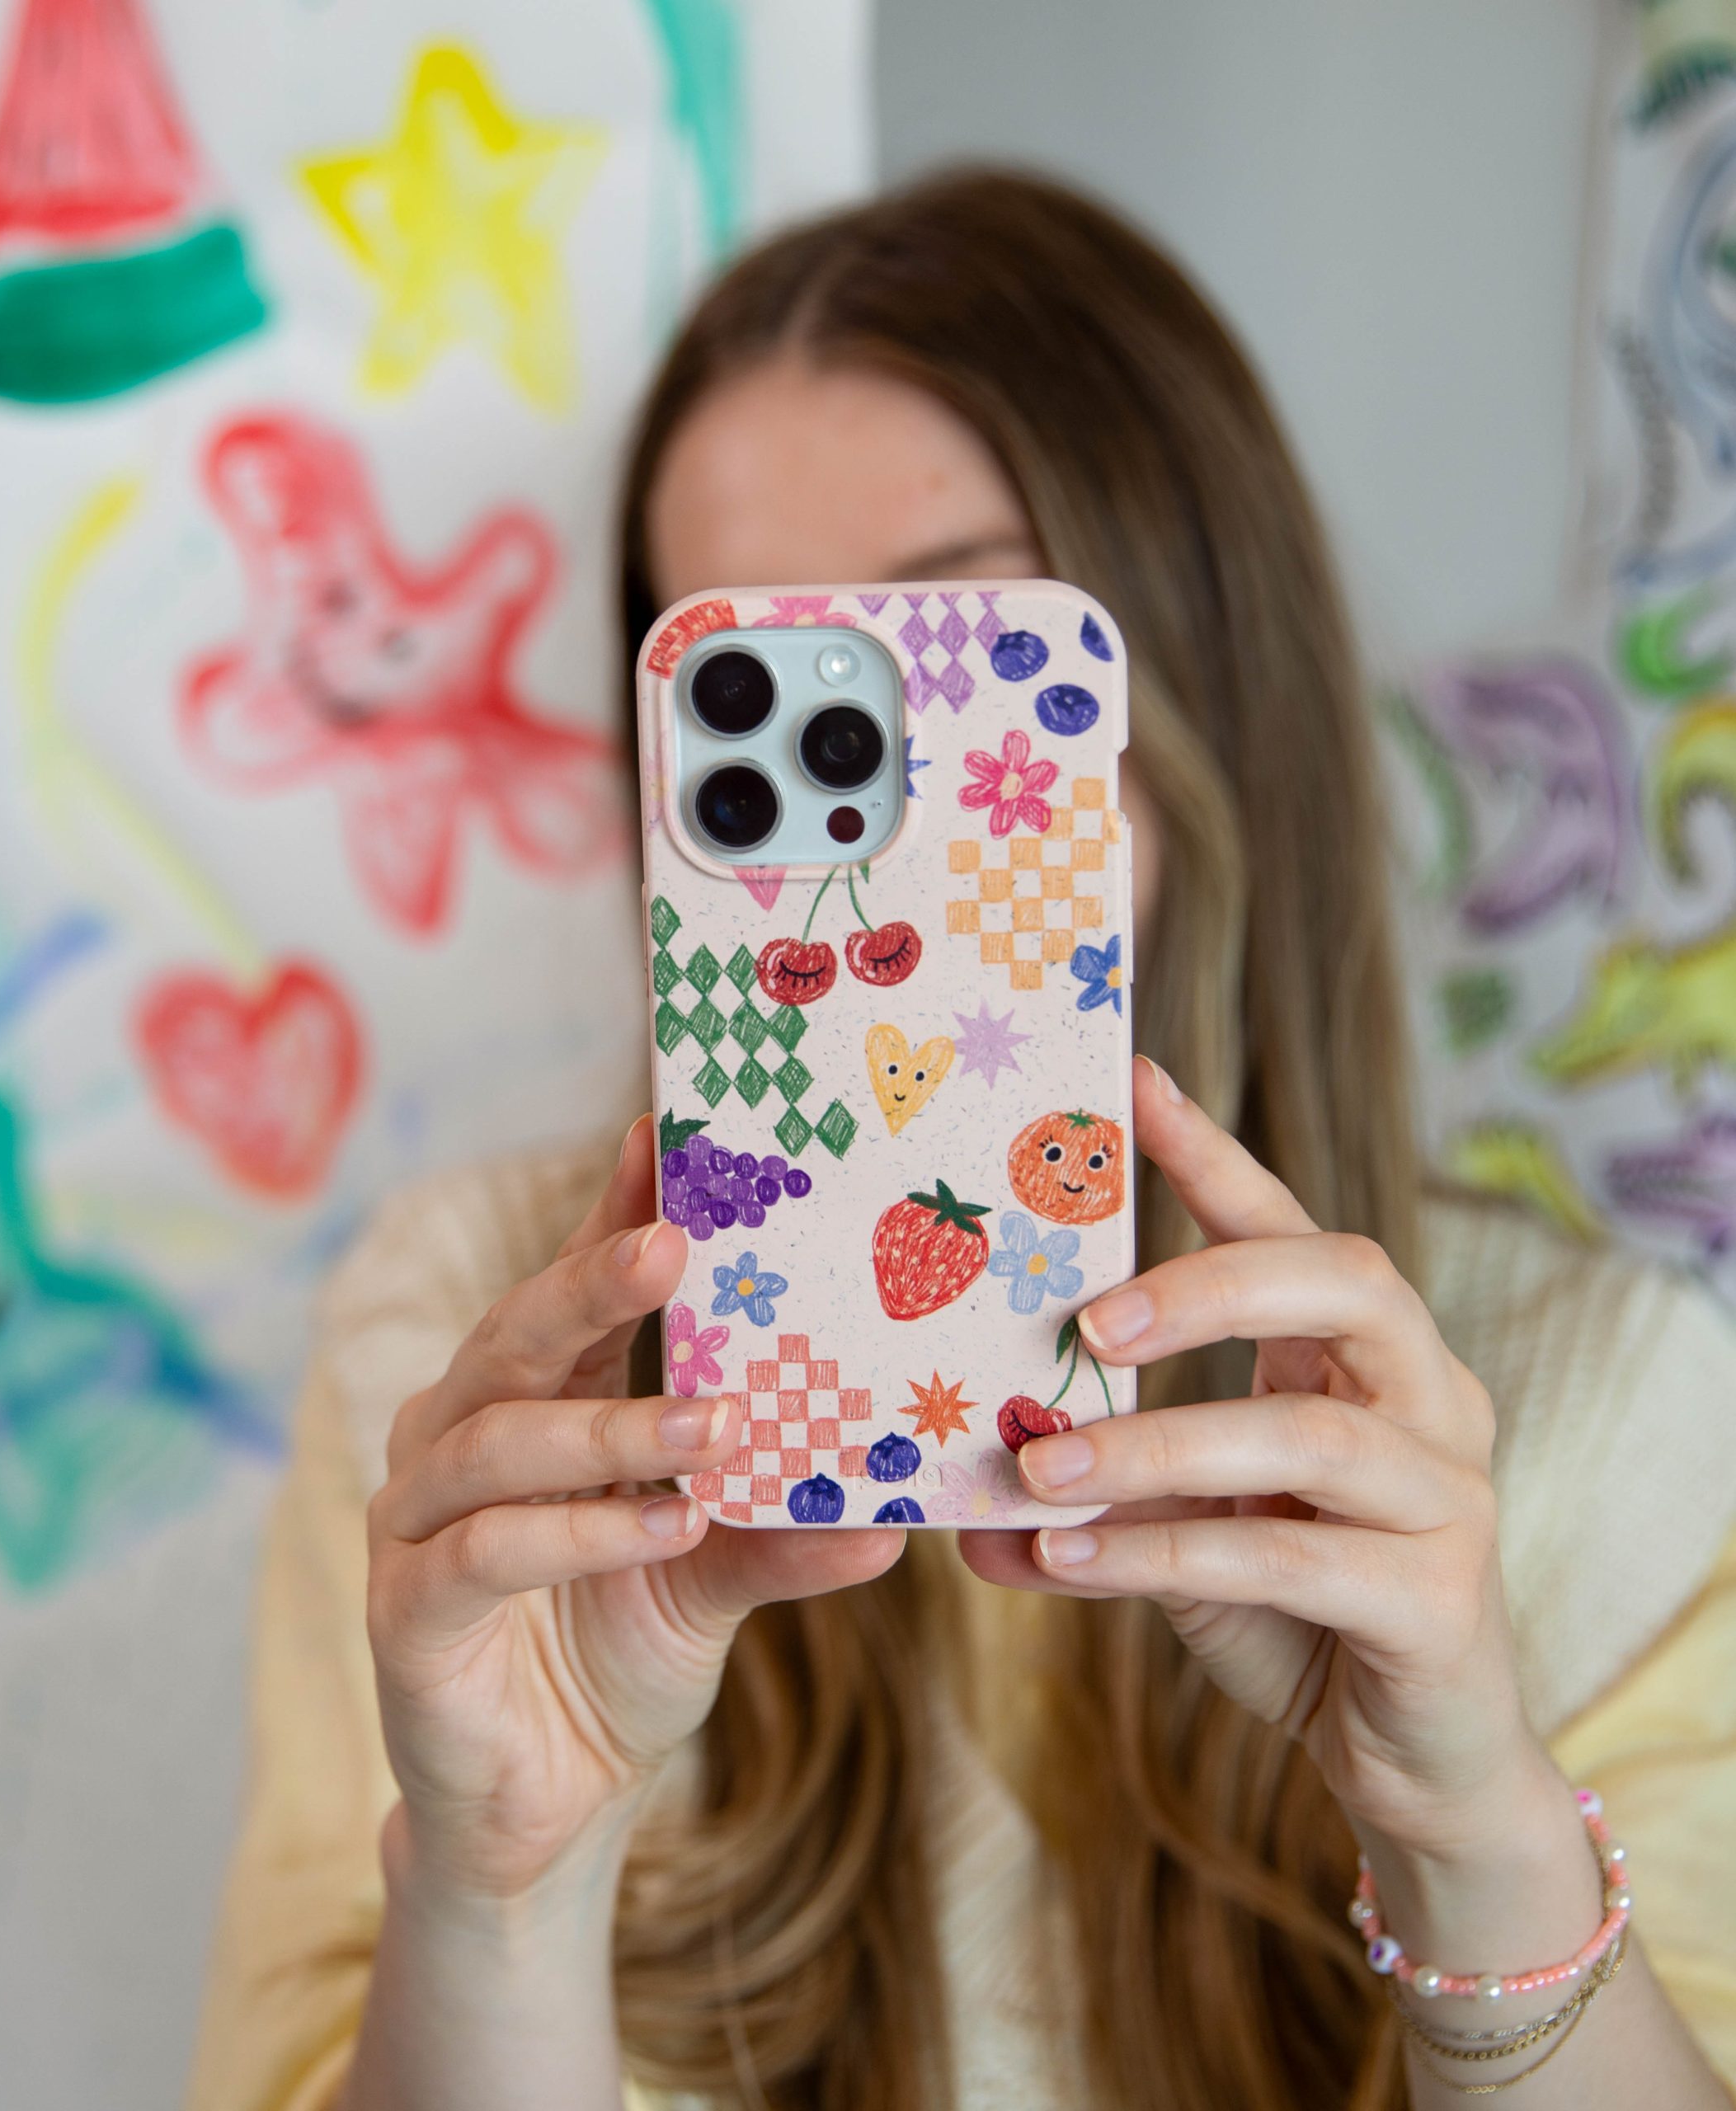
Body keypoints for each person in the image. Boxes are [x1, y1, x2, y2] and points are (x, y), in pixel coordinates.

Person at [186, 172, 1736, 2111]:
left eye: (951, 645)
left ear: (1197, 667)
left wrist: (1469, 1821)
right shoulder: (467, 1356)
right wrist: (497, 1896)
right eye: (752, 677)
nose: (867, 804)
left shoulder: (1605, 1412)